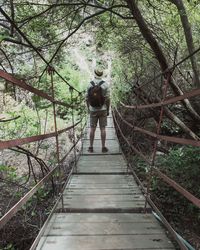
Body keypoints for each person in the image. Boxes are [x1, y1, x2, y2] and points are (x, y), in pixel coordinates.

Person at [86, 69, 110, 153]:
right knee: (103, 128)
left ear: (95, 74)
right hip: (103, 109)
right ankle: (103, 147)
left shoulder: (90, 84)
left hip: (93, 109)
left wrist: (88, 108)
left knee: (92, 128)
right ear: (102, 75)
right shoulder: (105, 85)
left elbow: (87, 98)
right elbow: (107, 99)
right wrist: (108, 110)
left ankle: (90, 147)